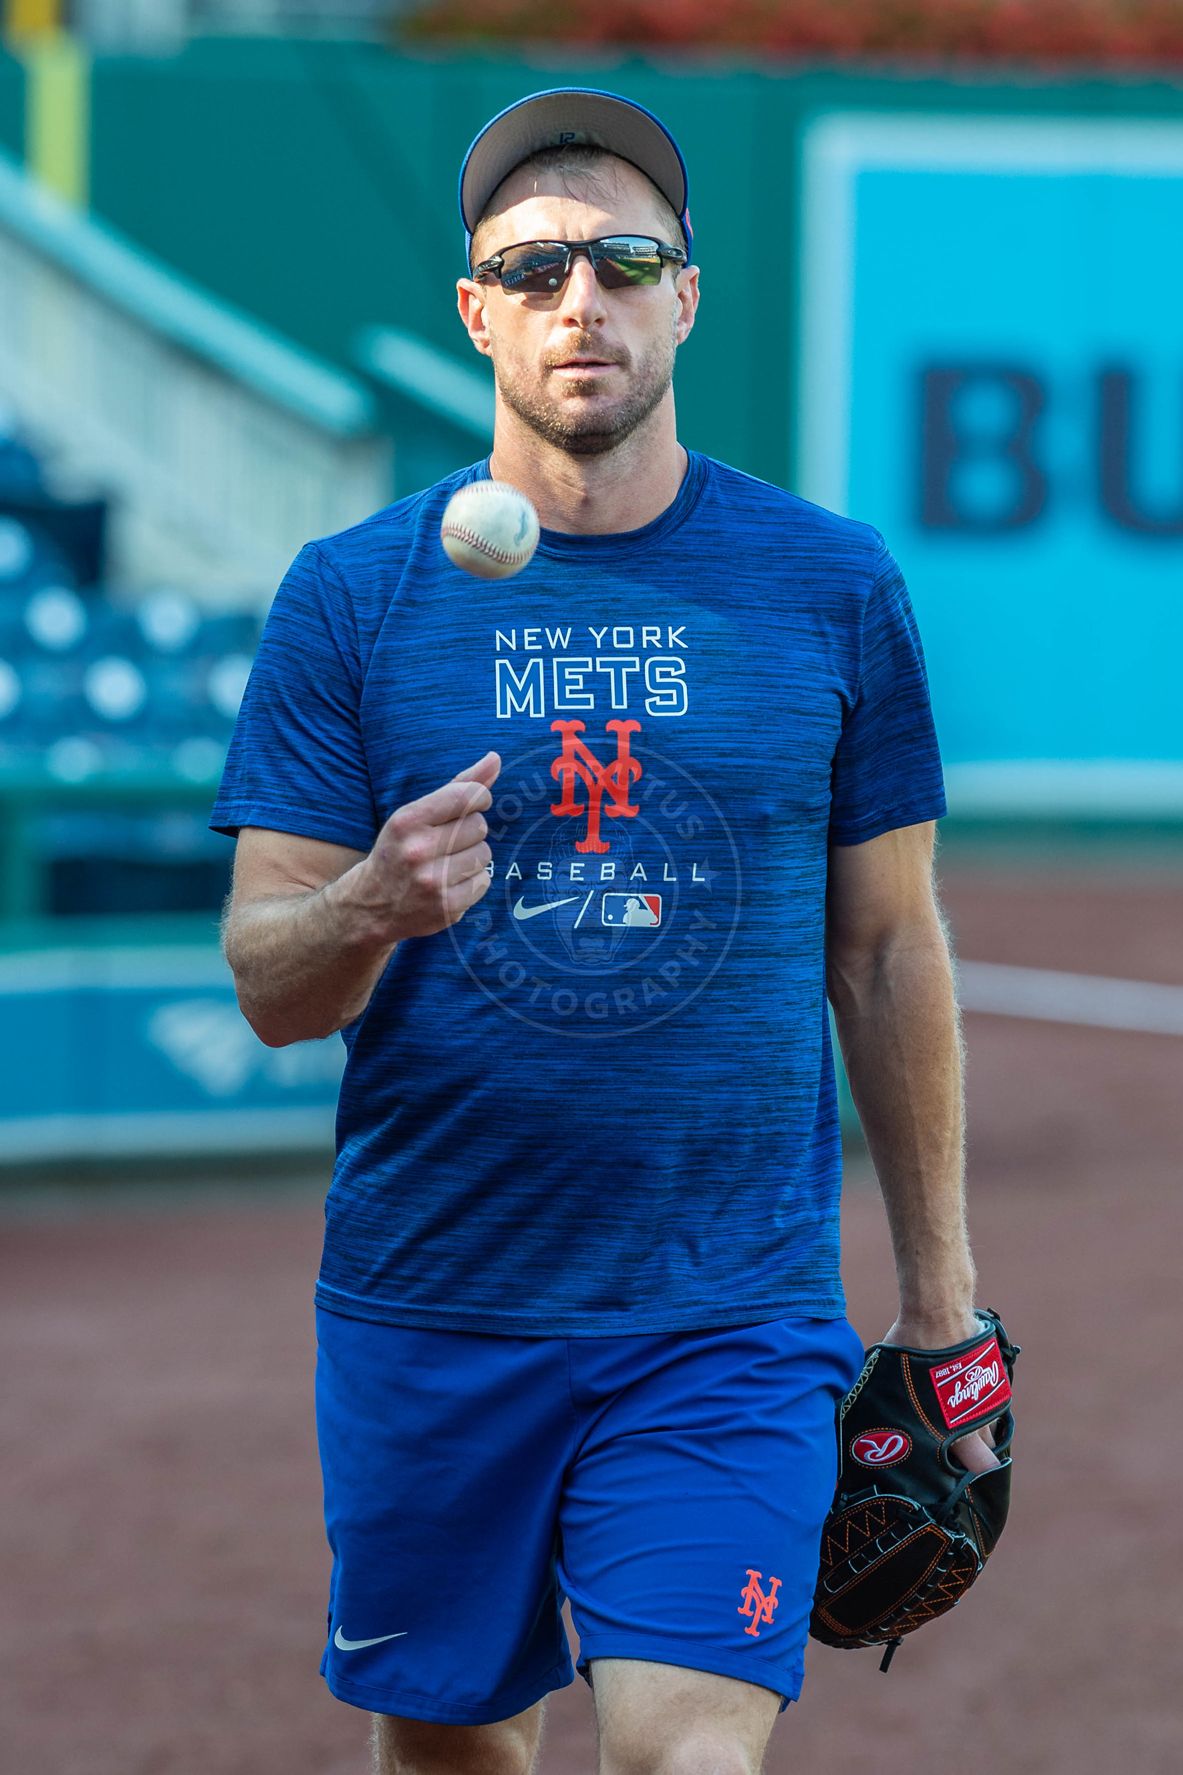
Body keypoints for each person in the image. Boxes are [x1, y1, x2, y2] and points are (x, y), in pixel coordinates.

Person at [214, 87, 998, 1775]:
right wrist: (365, 904)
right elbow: (271, 983)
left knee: (681, 1752)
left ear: (686, 296)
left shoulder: (831, 585)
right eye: (536, 267)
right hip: (434, 1302)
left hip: (728, 1308)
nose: (584, 300)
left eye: (626, 262)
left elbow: (885, 951)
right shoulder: (350, 596)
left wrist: (943, 1300)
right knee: (454, 1748)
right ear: (477, 309)